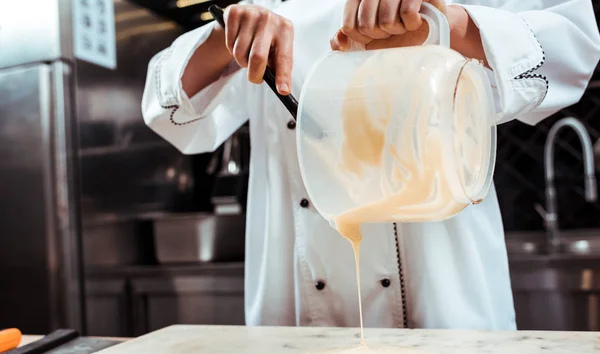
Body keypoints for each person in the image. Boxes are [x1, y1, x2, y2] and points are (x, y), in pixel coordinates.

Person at [142, 0, 600, 330]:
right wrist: (226, 40)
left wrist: (447, 22)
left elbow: (572, 46)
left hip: (449, 310)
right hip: (299, 324)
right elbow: (167, 112)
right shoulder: (273, 8)